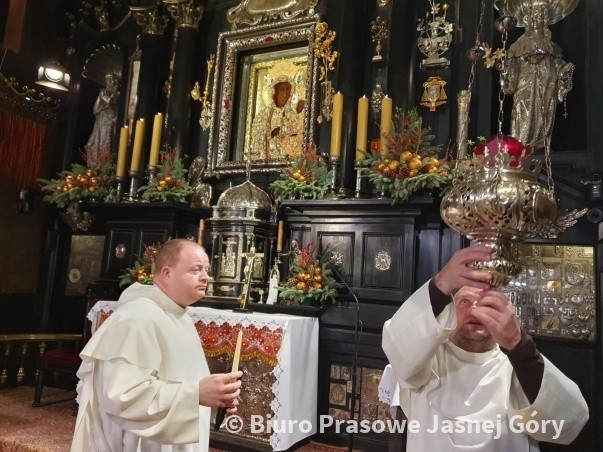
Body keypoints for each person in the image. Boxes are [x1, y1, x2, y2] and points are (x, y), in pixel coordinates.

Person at [382, 246, 588, 451]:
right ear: (450, 312)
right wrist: (441, 283)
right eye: (465, 301)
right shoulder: (425, 358)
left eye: (488, 304)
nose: (475, 311)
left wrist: (518, 344)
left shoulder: (521, 366)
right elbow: (397, 348)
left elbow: (569, 423)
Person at [71, 239, 242, 451]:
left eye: (206, 269)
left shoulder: (179, 316)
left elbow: (185, 379)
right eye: (196, 269)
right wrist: (196, 394)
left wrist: (214, 401)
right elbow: (123, 397)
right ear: (167, 273)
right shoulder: (137, 317)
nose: (206, 276)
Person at [501, 4, 574, 150]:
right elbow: (511, 70)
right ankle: (519, 146)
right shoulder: (517, 46)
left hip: (547, 82)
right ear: (527, 18)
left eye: (542, 14)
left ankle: (541, 145)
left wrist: (564, 71)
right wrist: (508, 74)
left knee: (544, 112)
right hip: (525, 83)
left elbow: (558, 66)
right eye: (535, 13)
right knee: (522, 107)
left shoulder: (553, 46)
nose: (539, 17)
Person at [249, 78, 304, 161]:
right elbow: (256, 138)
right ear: (275, 92)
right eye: (282, 90)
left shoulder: (293, 115)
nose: (285, 94)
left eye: (288, 90)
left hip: (285, 163)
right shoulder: (263, 115)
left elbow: (298, 137)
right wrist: (270, 135)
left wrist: (285, 131)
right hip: (265, 160)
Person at [85, 73, 119, 168]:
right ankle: (95, 164)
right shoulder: (103, 92)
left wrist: (107, 98)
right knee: (92, 142)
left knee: (107, 139)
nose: (109, 82)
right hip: (101, 118)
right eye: (108, 81)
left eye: (111, 80)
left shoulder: (118, 93)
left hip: (111, 118)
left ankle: (105, 164)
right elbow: (95, 108)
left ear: (116, 81)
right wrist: (102, 99)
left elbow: (113, 103)